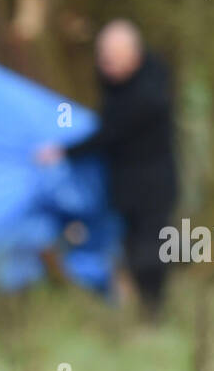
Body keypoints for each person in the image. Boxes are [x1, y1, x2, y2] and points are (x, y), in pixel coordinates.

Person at [37, 19, 178, 318]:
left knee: (149, 251)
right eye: (104, 58)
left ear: (134, 54)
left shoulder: (147, 93)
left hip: (153, 188)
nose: (107, 65)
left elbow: (112, 131)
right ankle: (144, 311)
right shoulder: (118, 89)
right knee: (131, 248)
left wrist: (63, 151)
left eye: (114, 57)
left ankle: (154, 313)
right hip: (125, 187)